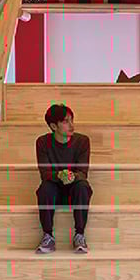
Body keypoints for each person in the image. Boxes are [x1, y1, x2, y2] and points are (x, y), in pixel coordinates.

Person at [36, 102, 91, 254]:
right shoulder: (42, 142)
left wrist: (71, 176)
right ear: (54, 126)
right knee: (45, 188)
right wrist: (59, 175)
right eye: (66, 122)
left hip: (75, 191)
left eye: (72, 120)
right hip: (54, 191)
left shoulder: (82, 141)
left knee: (83, 185)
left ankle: (79, 235)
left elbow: (83, 172)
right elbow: (44, 173)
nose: (71, 125)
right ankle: (48, 236)